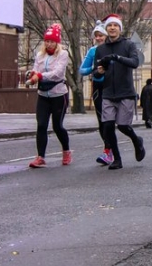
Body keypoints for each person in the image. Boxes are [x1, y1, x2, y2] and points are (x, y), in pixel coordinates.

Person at [93, 14, 146, 170]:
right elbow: (95, 73)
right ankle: (117, 159)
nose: (112, 28)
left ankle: (137, 141)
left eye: (115, 26)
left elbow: (135, 62)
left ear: (120, 29)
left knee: (123, 126)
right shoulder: (101, 49)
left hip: (125, 92)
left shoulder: (128, 45)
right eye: (109, 26)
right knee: (108, 126)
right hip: (108, 93)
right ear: (106, 28)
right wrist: (100, 71)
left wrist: (117, 58)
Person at [27, 24, 71, 168]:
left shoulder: (63, 54)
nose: (49, 44)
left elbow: (57, 73)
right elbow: (36, 68)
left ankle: (66, 151)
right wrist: (32, 74)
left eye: (52, 41)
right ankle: (40, 157)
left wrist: (40, 75)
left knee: (57, 126)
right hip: (43, 95)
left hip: (59, 94)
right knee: (41, 125)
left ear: (57, 42)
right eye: (47, 41)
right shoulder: (40, 55)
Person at [80, 22, 113, 165]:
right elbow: (82, 70)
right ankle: (108, 150)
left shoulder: (113, 49)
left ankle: (114, 148)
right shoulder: (92, 51)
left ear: (106, 36)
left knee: (114, 121)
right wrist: (94, 69)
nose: (99, 38)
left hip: (112, 86)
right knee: (102, 120)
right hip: (98, 87)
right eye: (97, 36)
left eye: (101, 35)